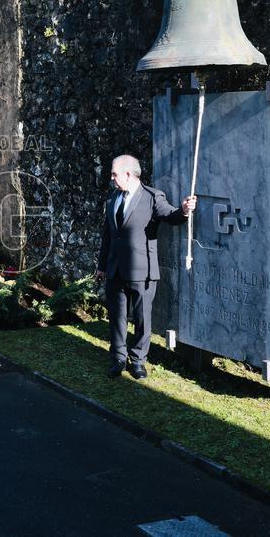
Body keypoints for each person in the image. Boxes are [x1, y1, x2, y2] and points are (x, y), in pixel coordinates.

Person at [95, 154, 196, 380]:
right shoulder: (113, 198)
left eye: (114, 173)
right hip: (115, 270)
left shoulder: (152, 197)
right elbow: (108, 236)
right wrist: (102, 266)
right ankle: (118, 358)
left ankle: (138, 361)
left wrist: (184, 210)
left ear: (128, 174)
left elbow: (171, 216)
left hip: (143, 270)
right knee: (117, 317)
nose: (111, 178)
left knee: (142, 318)